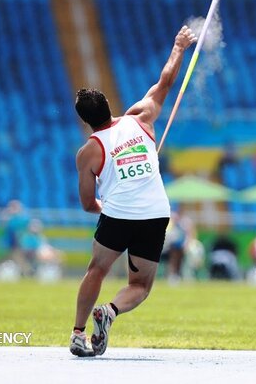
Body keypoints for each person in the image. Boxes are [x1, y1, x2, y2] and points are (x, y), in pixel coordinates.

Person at [69, 26, 197, 357]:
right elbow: (166, 81)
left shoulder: (89, 151)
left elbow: (87, 203)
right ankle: (109, 312)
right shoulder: (140, 118)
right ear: (109, 105)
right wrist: (179, 47)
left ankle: (77, 332)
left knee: (96, 271)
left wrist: (104, 205)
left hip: (117, 215)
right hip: (155, 214)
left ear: (85, 121)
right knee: (140, 286)